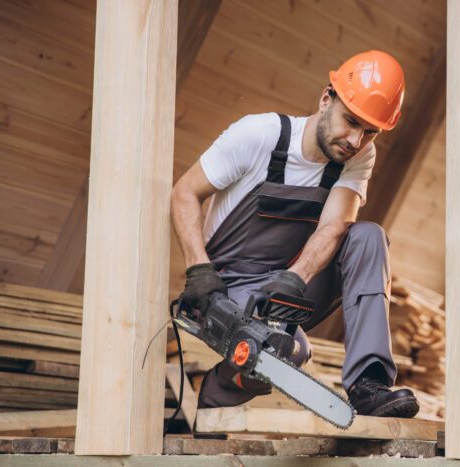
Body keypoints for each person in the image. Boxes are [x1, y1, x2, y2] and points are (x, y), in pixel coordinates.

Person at [170, 50, 419, 418]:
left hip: (291, 283)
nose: (355, 139)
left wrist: (294, 278)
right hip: (230, 281)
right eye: (350, 121)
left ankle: (369, 384)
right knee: (282, 355)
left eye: (370, 131)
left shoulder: (359, 156)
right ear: (325, 99)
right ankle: (213, 396)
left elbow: (337, 224)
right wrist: (198, 271)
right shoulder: (259, 134)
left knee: (368, 236)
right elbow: (184, 193)